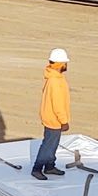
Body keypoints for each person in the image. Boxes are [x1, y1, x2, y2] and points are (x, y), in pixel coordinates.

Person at [33, 48, 70, 179]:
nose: (66, 65)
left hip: (52, 117)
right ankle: (37, 168)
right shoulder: (55, 81)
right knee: (48, 145)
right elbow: (57, 104)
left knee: (52, 144)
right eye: (65, 62)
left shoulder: (56, 78)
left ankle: (49, 166)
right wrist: (64, 121)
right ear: (60, 64)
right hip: (54, 119)